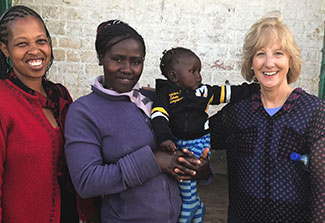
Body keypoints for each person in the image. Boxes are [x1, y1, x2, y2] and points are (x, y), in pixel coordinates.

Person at [64, 19, 211, 223]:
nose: (127, 69)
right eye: (117, 59)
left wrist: (200, 171)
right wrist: (154, 162)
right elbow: (87, 181)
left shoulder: (155, 100)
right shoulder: (84, 111)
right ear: (100, 58)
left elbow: (183, 148)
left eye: (136, 61)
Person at [209, 13, 325, 223]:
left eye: (278, 53)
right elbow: (201, 137)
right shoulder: (238, 111)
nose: (269, 63)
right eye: (260, 54)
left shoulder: (314, 111)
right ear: (251, 63)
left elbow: (322, 187)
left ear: (290, 60)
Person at [0, 5, 90, 223]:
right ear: (5, 50)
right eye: (22, 44)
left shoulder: (60, 95)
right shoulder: (3, 102)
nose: (34, 50)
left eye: (40, 41)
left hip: (70, 213)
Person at [151, 47, 259, 223]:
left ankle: (189, 208)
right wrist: (164, 137)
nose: (199, 76)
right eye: (193, 71)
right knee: (184, 180)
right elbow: (159, 116)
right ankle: (197, 206)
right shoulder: (166, 94)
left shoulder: (204, 92)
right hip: (177, 144)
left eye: (199, 71)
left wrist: (256, 89)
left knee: (187, 176)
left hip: (201, 143)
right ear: (174, 76)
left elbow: (229, 93)